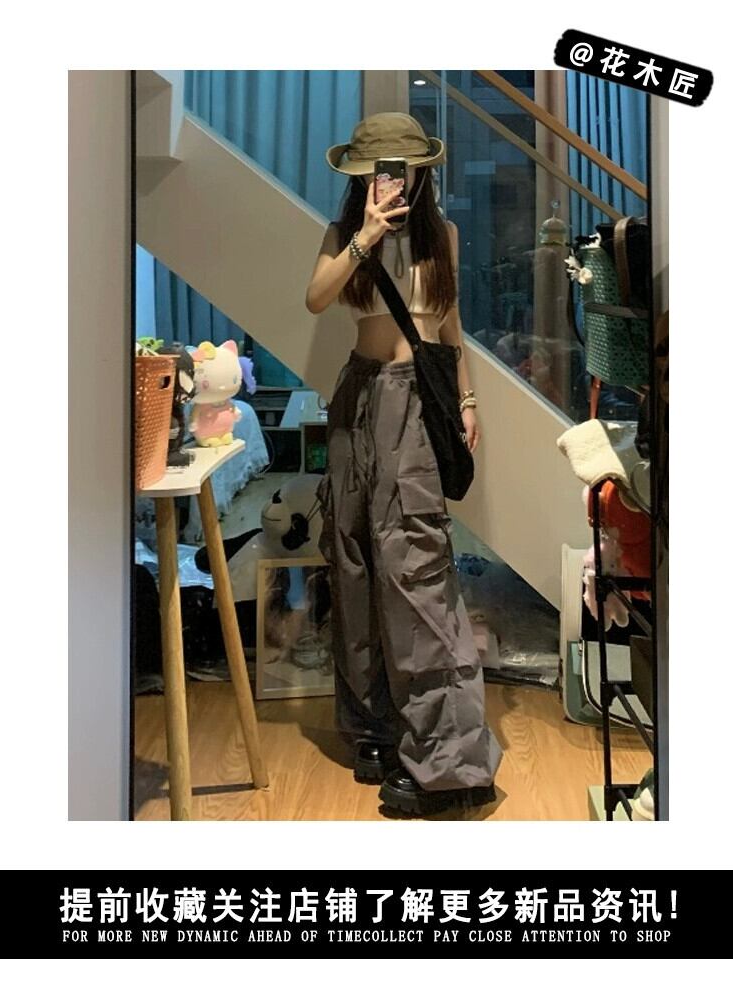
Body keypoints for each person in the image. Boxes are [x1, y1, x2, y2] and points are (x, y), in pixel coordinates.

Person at [305, 112, 503, 815]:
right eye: (378, 170)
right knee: (352, 559)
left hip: (415, 401)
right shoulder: (344, 234)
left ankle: (453, 765)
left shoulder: (440, 235)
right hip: (357, 398)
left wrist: (467, 398)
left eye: (402, 168)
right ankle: (377, 729)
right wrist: (365, 234)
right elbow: (316, 298)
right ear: (361, 177)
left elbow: (448, 325)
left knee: (415, 568)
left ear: (422, 170)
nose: (392, 180)